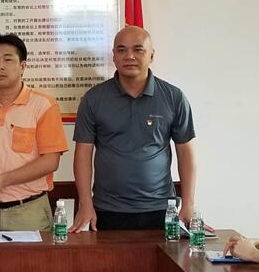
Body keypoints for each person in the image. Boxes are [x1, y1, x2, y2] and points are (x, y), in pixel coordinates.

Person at [70, 26, 197, 232]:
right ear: (113, 56)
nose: (129, 56)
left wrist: (189, 204)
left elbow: (186, 152)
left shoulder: (173, 97)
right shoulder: (94, 99)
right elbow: (83, 154)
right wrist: (85, 203)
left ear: (151, 55)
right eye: (121, 50)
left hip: (161, 209)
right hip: (108, 209)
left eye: (138, 50)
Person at [0, 33, 68, 231]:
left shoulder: (43, 105)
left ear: (22, 66)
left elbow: (51, 161)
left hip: (28, 211)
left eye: (8, 59)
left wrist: (3, 180)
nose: (0, 66)